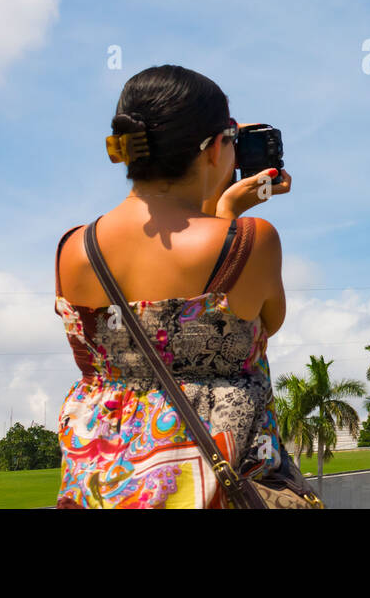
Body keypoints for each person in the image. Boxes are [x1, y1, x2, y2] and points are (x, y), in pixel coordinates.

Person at [53, 64, 297, 508]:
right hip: (214, 486)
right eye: (230, 138)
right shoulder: (251, 242)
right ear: (210, 151)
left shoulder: (74, 248)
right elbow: (267, 322)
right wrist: (227, 210)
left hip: (102, 486)